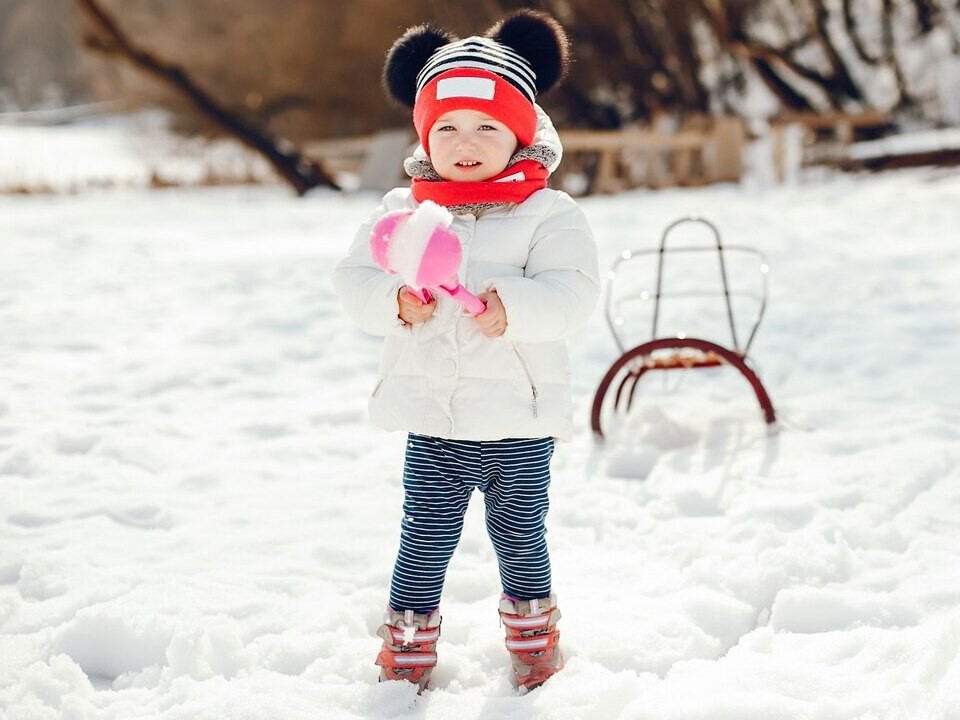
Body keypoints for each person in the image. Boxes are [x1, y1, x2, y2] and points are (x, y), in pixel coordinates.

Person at [332, 9, 599, 692]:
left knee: (520, 538)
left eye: (488, 126)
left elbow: (572, 296)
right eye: (446, 127)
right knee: (422, 539)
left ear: (521, 131)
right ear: (424, 135)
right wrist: (396, 300)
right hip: (436, 422)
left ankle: (534, 641)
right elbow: (354, 278)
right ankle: (409, 646)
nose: (466, 141)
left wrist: (514, 309)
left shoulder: (550, 215)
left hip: (518, 423)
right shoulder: (404, 211)